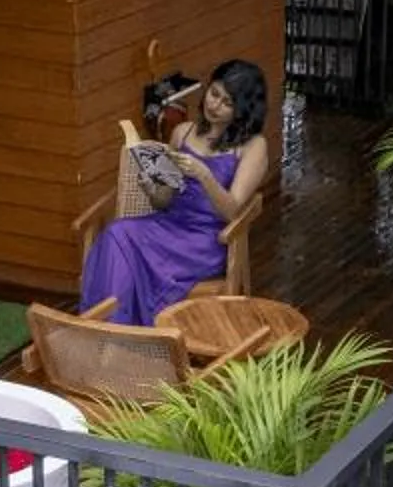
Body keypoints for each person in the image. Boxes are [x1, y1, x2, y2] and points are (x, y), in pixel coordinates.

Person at [80, 59, 273, 328]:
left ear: (242, 110)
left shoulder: (253, 146)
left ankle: (121, 330)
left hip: (204, 240)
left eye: (227, 103)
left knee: (127, 249)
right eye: (214, 93)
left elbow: (233, 211)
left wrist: (204, 175)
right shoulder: (183, 132)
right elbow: (164, 200)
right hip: (168, 224)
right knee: (117, 233)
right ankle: (107, 329)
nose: (214, 105)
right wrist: (152, 184)